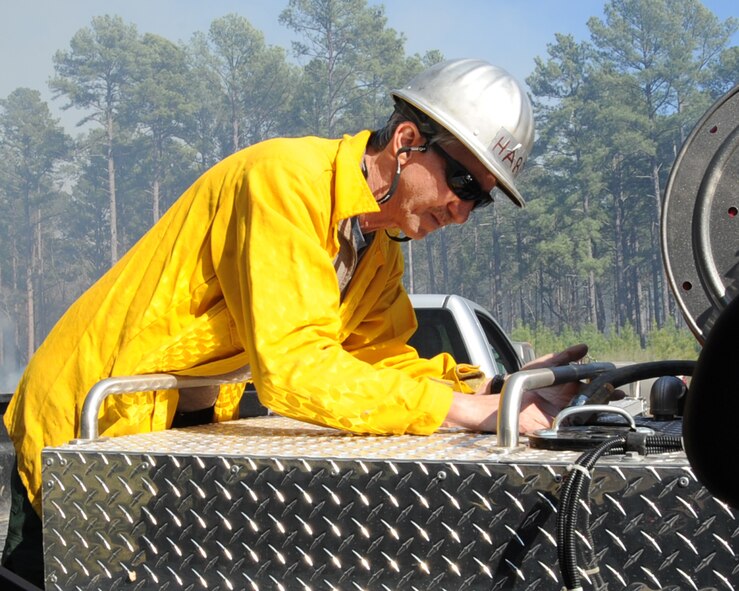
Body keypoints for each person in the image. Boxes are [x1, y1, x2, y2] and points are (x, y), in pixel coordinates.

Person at [2, 58, 587, 586]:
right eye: (462, 183)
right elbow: (294, 367)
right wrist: (467, 413)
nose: (461, 212)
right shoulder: (283, 181)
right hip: (90, 414)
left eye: (480, 200)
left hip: (174, 423)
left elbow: (380, 361)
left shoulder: (377, 249)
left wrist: (494, 390)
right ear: (407, 141)